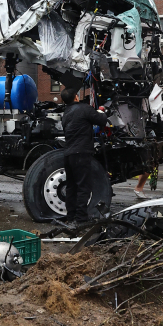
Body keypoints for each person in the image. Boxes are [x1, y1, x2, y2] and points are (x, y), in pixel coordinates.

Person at [60, 87, 107, 224]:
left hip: (68, 154)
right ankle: (81, 219)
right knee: (83, 187)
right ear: (75, 97)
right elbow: (101, 120)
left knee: (71, 187)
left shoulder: (66, 113)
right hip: (81, 153)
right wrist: (102, 111)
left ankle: (71, 217)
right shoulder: (84, 108)